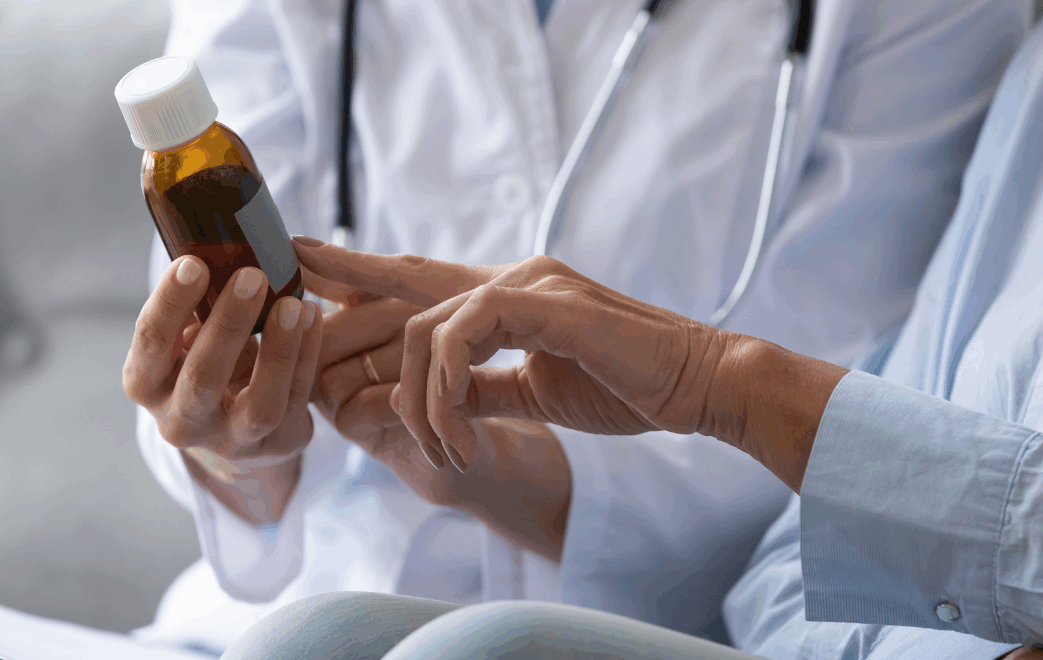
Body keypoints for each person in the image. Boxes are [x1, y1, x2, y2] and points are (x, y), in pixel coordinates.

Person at [126, 0, 1032, 653]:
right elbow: (209, 340)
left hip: (654, 615)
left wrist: (520, 471)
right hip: (260, 613)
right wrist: (232, 446)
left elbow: (866, 425)